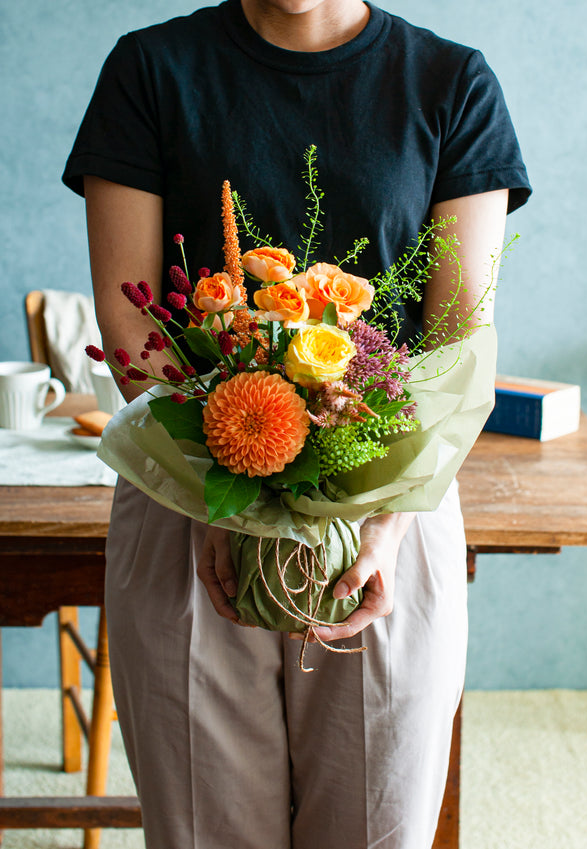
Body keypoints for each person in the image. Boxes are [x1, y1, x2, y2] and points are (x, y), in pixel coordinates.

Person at [63, 1, 531, 846]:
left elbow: (460, 342)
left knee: (374, 827)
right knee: (205, 829)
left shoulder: (451, 83)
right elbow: (129, 319)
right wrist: (222, 497)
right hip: (186, 494)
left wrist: (383, 523)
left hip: (392, 507)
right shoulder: (151, 70)